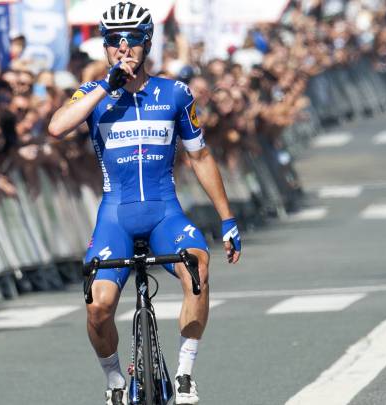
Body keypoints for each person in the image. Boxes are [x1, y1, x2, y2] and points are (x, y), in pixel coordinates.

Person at [48, 2, 242, 404]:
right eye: (113, 41)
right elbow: (56, 127)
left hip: (163, 213)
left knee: (197, 267)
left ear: (147, 43)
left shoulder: (174, 93)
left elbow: (200, 157)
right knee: (98, 306)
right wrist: (107, 86)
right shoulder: (93, 94)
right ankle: (115, 380)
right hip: (115, 217)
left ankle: (185, 374)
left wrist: (227, 219)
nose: (123, 47)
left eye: (132, 39)